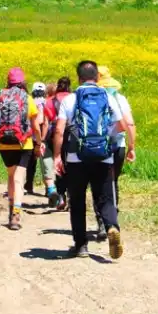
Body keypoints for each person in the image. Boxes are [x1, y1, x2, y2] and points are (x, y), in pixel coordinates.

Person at [51, 60, 128, 260]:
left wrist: (58, 156)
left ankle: (81, 246)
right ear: (97, 77)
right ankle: (111, 226)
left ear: (79, 78)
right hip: (103, 157)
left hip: (76, 158)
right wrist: (105, 140)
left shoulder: (70, 99)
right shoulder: (108, 97)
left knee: (77, 201)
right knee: (105, 197)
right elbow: (121, 126)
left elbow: (59, 130)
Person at [0, 67, 39, 231]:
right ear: (23, 82)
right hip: (24, 144)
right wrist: (39, 142)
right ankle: (16, 214)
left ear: (8, 81)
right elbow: (36, 126)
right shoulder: (27, 99)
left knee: (11, 176)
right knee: (19, 179)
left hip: (5, 143)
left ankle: (10, 211)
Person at [93, 67, 137, 239]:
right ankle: (112, 220)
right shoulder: (120, 99)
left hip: (98, 146)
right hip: (119, 145)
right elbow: (130, 124)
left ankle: (102, 222)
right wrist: (132, 147)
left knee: (99, 182)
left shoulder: (92, 98)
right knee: (112, 181)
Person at [46, 76, 71, 210]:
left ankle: (61, 197)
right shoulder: (74, 98)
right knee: (72, 166)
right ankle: (72, 196)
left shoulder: (50, 101)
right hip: (72, 136)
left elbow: (47, 120)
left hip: (55, 136)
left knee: (58, 165)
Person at [25, 81, 49, 197]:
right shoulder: (45, 102)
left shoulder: (30, 101)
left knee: (31, 163)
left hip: (30, 136)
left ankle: (29, 185)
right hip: (43, 136)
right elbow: (41, 121)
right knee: (46, 163)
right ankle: (48, 189)